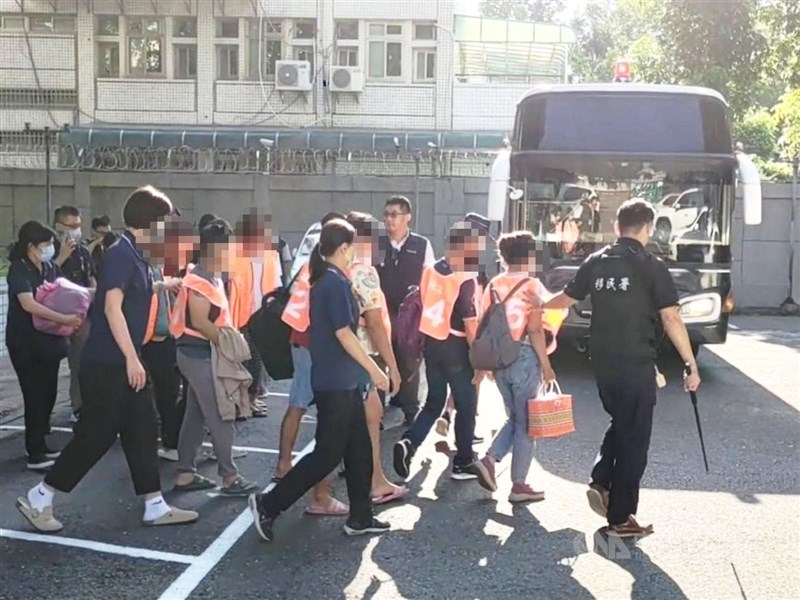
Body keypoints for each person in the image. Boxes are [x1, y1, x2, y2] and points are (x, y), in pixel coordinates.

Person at [15, 186, 198, 533]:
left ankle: (154, 504)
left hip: (120, 361)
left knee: (143, 428)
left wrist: (164, 285)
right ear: (152, 223)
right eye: (168, 222)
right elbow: (112, 308)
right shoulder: (120, 254)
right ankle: (41, 496)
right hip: (109, 364)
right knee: (96, 437)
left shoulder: (135, 255)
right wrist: (132, 358)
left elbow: (127, 294)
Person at [544, 198, 701, 538]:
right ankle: (620, 518)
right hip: (636, 362)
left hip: (601, 362)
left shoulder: (595, 261)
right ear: (647, 227)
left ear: (617, 226)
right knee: (635, 440)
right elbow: (671, 317)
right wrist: (690, 364)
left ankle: (601, 482)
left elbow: (566, 299)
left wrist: (536, 308)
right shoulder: (651, 266)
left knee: (622, 421)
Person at [249, 219, 391, 542]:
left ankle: (360, 516)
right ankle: (269, 505)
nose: (355, 253)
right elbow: (344, 334)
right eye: (352, 247)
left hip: (343, 381)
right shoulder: (334, 283)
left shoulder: (327, 279)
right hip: (336, 383)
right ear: (343, 248)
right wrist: (375, 369)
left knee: (357, 449)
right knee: (327, 454)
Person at [170, 219, 258, 496]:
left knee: (195, 415)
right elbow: (198, 320)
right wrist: (227, 344)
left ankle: (185, 473)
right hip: (200, 355)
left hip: (200, 354)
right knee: (222, 414)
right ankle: (230, 477)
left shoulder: (208, 275)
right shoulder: (200, 279)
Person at [393, 221, 484, 481]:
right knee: (466, 404)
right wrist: (478, 358)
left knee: (433, 402)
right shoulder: (466, 276)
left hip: (432, 342)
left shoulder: (431, 270)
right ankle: (463, 461)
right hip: (456, 346)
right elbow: (469, 321)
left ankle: (409, 443)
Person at [471, 231, 558, 502]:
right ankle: (516, 481)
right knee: (526, 423)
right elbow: (534, 330)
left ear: (504, 256)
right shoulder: (532, 286)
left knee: (515, 417)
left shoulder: (494, 284)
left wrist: (482, 366)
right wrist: (546, 365)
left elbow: (483, 324)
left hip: (499, 359)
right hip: (524, 357)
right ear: (530, 255)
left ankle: (491, 461)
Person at [273, 211, 349, 516]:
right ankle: (298, 474)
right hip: (311, 345)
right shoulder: (326, 273)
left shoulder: (310, 266)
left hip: (301, 341)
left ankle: (286, 464)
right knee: (308, 408)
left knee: (300, 404)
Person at [6, 221, 83, 470]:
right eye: (46, 244)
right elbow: (29, 304)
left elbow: (63, 290)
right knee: (34, 394)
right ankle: (34, 452)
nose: (50, 248)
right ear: (31, 246)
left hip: (47, 341)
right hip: (25, 342)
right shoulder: (19, 269)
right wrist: (65, 319)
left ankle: (42, 443)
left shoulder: (48, 266)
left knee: (48, 392)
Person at [346, 212, 407, 505]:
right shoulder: (363, 272)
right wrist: (392, 366)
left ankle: (323, 493)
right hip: (366, 355)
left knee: (342, 426)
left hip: (342, 357)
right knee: (371, 422)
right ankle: (376, 482)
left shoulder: (333, 269)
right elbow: (374, 321)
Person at [377, 195, 436, 427]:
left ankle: (410, 409)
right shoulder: (376, 243)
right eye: (386, 214)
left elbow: (428, 277)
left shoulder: (421, 244)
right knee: (381, 359)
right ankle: (377, 411)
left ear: (407, 217)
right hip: (381, 313)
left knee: (409, 360)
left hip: (410, 315)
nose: (389, 220)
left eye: (395, 215)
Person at [230, 209, 282, 418]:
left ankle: (251, 400)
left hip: (262, 317)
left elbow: (277, 285)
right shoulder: (234, 254)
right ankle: (242, 402)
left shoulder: (271, 255)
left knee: (256, 361)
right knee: (241, 362)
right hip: (240, 316)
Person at [53, 206, 97, 424]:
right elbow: (42, 280)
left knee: (81, 363)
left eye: (78, 226)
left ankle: (80, 405)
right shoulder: (49, 250)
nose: (76, 231)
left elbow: (91, 277)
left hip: (81, 316)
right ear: (59, 227)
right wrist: (60, 258)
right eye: (71, 226)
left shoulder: (82, 251)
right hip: (53, 317)